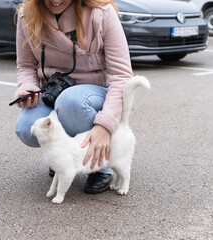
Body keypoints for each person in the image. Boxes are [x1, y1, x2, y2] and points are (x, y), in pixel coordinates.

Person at [14, 0, 133, 194]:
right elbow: (26, 66)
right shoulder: (26, 15)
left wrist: (105, 125)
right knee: (26, 128)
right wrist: (28, 88)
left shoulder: (102, 13)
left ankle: (103, 164)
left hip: (94, 95)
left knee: (71, 102)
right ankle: (65, 156)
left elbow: (121, 76)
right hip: (55, 91)